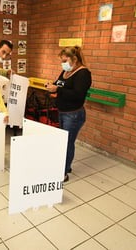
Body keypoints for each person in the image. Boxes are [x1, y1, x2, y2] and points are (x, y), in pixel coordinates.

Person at [45, 46, 92, 182]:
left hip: (73, 115)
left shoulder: (83, 74)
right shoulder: (66, 71)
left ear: (74, 59)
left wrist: (58, 90)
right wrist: (51, 86)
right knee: (63, 142)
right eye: (62, 61)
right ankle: (66, 165)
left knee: (67, 143)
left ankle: (63, 173)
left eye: (65, 60)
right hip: (63, 112)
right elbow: (59, 84)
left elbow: (78, 95)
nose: (63, 63)